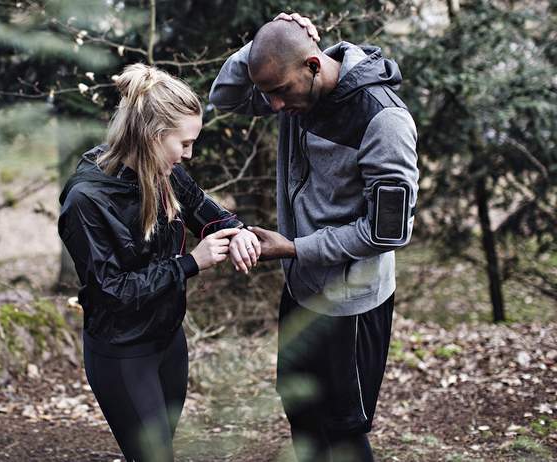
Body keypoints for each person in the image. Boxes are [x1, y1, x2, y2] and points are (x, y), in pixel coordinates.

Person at [210, 13, 419, 462]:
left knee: (343, 429)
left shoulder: (384, 121)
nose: (275, 106)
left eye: (280, 92)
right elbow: (223, 94)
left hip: (352, 304)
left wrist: (293, 248)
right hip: (301, 287)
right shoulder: (293, 89)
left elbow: (387, 232)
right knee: (301, 412)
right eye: (269, 94)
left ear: (313, 65)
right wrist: (267, 38)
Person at [58, 63, 261, 462]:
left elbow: (206, 210)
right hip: (122, 351)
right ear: (153, 136)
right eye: (183, 143)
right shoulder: (86, 200)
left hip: (168, 341)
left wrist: (240, 232)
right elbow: (112, 291)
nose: (189, 154)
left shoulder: (163, 173)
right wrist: (191, 263)